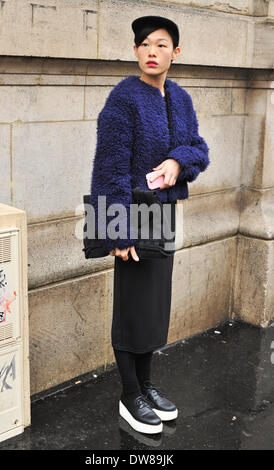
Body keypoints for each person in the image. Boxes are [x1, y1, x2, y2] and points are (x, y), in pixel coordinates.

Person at [90, 15, 210, 434]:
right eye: (144, 44)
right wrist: (116, 231)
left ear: (175, 53)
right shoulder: (123, 98)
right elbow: (109, 168)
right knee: (131, 307)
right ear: (135, 51)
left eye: (161, 45)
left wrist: (179, 161)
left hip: (163, 212)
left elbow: (197, 147)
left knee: (154, 307)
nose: (152, 51)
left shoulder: (179, 98)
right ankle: (129, 395)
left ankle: (146, 385)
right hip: (132, 212)